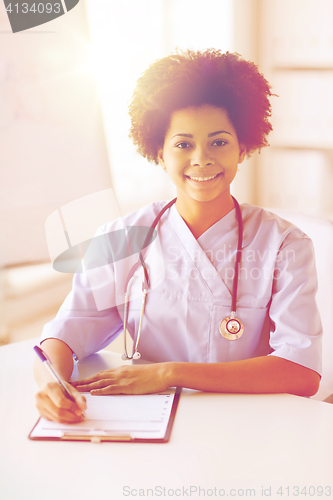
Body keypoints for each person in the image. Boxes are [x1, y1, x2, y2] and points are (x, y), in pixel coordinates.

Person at [34, 49, 322, 423]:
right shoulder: (120, 238)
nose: (201, 158)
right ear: (159, 152)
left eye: (219, 142)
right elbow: (66, 332)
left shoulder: (284, 245)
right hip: (146, 420)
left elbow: (301, 373)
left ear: (244, 147)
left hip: (249, 425)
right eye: (183, 144)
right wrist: (50, 382)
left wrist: (169, 373)